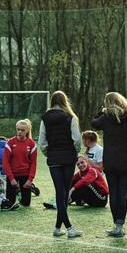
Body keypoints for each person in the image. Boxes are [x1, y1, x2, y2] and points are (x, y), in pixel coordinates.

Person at [90, 92, 127, 237]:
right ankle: (120, 224)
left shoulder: (105, 117)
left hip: (111, 161)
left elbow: (93, 123)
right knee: (122, 193)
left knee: (113, 193)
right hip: (126, 160)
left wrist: (100, 111)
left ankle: (116, 225)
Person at [38, 90, 83, 238]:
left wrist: (48, 153)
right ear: (65, 101)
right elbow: (77, 139)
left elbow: (42, 141)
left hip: (54, 158)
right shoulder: (70, 117)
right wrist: (75, 151)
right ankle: (69, 228)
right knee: (63, 191)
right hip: (68, 157)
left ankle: (58, 227)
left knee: (60, 191)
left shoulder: (45, 118)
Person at [1, 119, 37, 210]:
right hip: (12, 175)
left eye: (22, 130)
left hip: (25, 175)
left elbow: (33, 163)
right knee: (10, 203)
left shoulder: (32, 144)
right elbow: (5, 162)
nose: (20, 132)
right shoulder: (10, 143)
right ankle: (17, 191)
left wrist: (30, 180)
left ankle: (23, 191)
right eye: (18, 129)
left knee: (26, 204)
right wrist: (11, 179)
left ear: (27, 131)